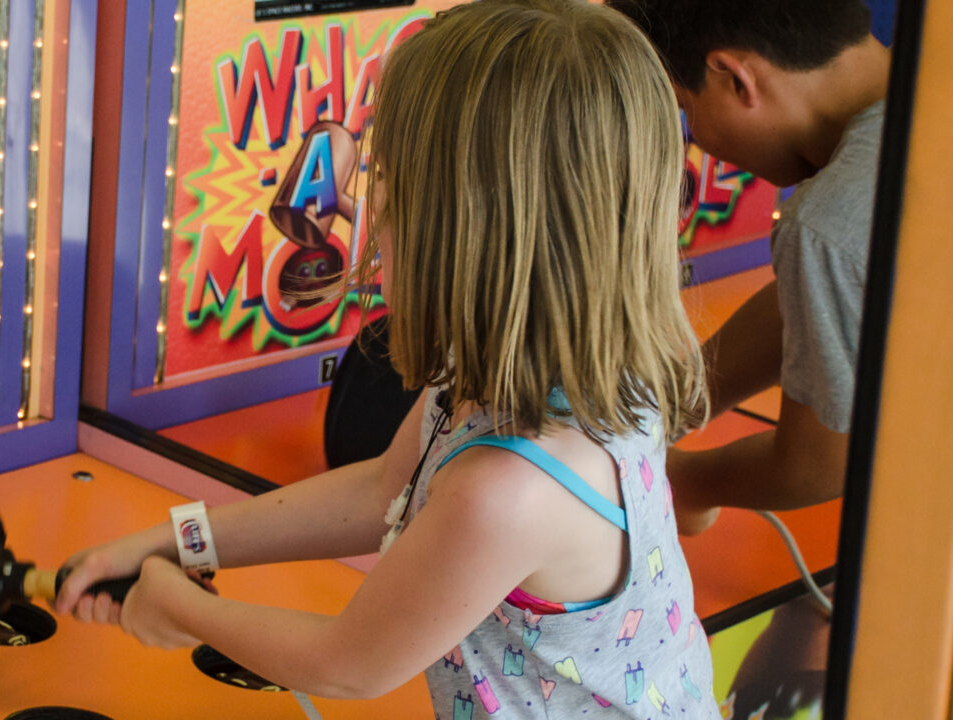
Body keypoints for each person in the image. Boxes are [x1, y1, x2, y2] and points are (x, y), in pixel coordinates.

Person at [57, 1, 719, 716]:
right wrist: (177, 542)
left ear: (464, 229)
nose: (372, 214)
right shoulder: (530, 363)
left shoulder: (514, 488)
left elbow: (349, 663)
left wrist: (183, 611)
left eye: (391, 186)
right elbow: (383, 492)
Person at [606, 0, 889, 533]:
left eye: (685, 110)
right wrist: (660, 407)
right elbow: (819, 306)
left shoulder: (830, 220)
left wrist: (678, 482)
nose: (699, 142)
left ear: (735, 78)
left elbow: (821, 461)